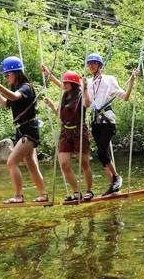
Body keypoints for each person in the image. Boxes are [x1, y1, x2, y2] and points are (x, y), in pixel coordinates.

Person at [0, 56, 47, 203]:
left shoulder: (26, 87)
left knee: (11, 162)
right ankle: (43, 195)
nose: (6, 77)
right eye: (5, 76)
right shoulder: (16, 88)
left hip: (29, 130)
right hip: (22, 130)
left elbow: (14, 97)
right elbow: (5, 104)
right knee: (31, 165)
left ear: (16, 73)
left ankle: (18, 196)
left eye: (7, 75)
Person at [83, 53, 138, 197]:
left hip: (107, 121)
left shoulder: (109, 80)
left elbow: (125, 97)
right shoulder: (88, 83)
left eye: (94, 63)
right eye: (89, 64)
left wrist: (132, 80)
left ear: (100, 65)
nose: (91, 66)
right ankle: (113, 186)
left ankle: (116, 178)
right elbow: (85, 102)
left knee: (102, 152)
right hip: (95, 122)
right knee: (102, 155)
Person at [42, 67, 94, 201]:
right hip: (66, 132)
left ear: (73, 84)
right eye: (63, 83)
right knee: (64, 164)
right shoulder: (64, 96)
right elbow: (59, 115)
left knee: (84, 163)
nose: (64, 84)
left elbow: (88, 104)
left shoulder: (81, 96)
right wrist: (52, 106)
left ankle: (89, 191)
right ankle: (77, 192)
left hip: (79, 131)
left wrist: (86, 87)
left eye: (66, 83)